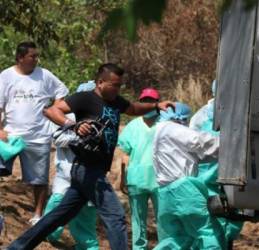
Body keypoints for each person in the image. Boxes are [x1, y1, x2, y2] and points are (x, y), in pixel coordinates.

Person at [7, 63, 173, 250]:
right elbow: (52, 110)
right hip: (88, 168)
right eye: (114, 85)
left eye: (120, 86)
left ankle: (17, 247)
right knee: (116, 217)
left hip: (89, 171)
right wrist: (73, 125)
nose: (117, 89)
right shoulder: (85, 98)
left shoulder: (116, 101)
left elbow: (133, 108)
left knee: (57, 217)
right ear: (100, 82)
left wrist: (157, 106)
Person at [0, 41, 69, 225]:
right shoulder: (6, 76)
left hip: (39, 136)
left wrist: (54, 110)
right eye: (32, 56)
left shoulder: (44, 75)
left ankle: (38, 215)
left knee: (39, 179)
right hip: (10, 136)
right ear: (20, 58)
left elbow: (61, 91)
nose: (36, 59)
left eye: (37, 56)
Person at [152, 102, 226, 250]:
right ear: (180, 118)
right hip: (184, 192)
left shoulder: (159, 131)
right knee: (208, 233)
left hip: (165, 193)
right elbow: (201, 142)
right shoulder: (173, 128)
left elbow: (192, 155)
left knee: (176, 240)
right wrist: (232, 145)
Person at [44, 82, 99, 250]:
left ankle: (88, 246)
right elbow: (58, 139)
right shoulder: (66, 116)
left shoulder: (100, 117)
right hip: (66, 174)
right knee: (56, 208)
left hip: (89, 175)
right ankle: (48, 237)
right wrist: (79, 138)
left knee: (85, 216)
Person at [190, 80, 243, 249]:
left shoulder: (237, 112)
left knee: (230, 218)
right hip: (208, 176)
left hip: (230, 177)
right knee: (210, 219)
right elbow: (191, 143)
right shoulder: (201, 116)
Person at [118, 88, 163, 249]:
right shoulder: (133, 125)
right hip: (136, 179)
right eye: (144, 101)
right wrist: (122, 179)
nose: (148, 104)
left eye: (151, 101)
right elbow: (125, 155)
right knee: (138, 220)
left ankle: (165, 246)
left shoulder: (165, 124)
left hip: (160, 180)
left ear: (158, 103)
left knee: (163, 219)